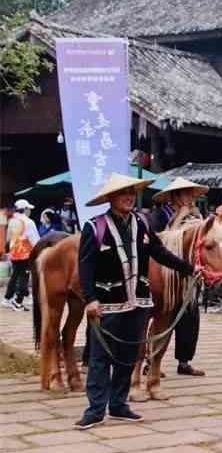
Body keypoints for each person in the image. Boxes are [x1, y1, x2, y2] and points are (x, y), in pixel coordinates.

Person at [75, 173, 197, 430]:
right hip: (107, 304)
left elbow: (160, 253)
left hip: (139, 302)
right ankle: (95, 410)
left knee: (128, 356)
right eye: (123, 193)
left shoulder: (142, 223)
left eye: (132, 193)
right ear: (110, 198)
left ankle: (118, 405)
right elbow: (85, 268)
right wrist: (90, 299)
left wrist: (189, 268)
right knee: (100, 358)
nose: (129, 197)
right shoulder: (94, 227)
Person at [152, 177, 209, 376]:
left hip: (190, 274)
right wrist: (178, 218)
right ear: (174, 197)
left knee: (190, 319)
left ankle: (184, 361)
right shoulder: (160, 214)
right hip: (166, 274)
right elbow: (158, 241)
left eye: (191, 194)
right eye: (185, 194)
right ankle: (151, 362)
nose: (189, 198)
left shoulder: (198, 215)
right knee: (162, 317)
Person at [3, 199, 39, 311]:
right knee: (24, 276)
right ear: (25, 210)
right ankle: (18, 301)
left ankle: (8, 297)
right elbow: (35, 239)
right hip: (25, 253)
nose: (30, 211)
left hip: (14, 252)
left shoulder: (12, 221)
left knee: (16, 274)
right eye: (29, 209)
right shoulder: (29, 222)